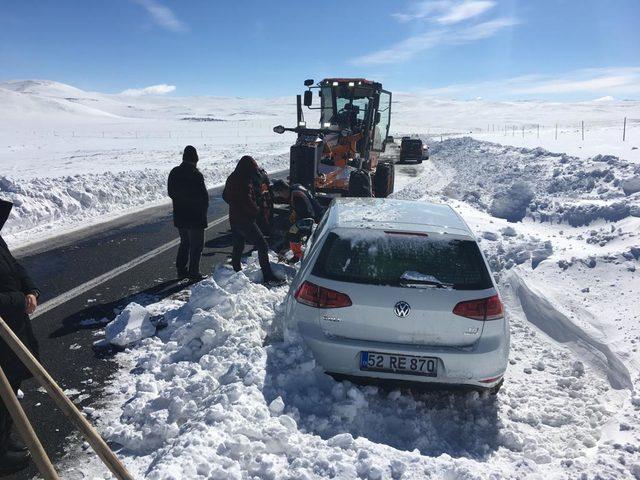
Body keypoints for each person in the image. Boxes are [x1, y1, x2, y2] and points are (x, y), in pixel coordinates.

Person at [0, 200, 39, 474]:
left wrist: (31, 290)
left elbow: (15, 267)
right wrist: (18, 299)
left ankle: (4, 437)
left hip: (12, 329)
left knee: (10, 388)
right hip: (2, 331)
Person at [223, 156, 282, 285]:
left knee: (238, 244)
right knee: (262, 245)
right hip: (245, 220)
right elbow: (247, 201)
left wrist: (234, 205)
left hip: (234, 218)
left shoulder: (232, 177)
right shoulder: (244, 181)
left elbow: (225, 196)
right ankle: (268, 276)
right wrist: (257, 210)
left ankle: (237, 271)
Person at [168, 146, 209, 280]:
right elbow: (203, 197)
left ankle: (181, 270)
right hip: (195, 217)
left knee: (185, 243)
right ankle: (193, 272)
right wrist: (202, 212)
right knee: (197, 246)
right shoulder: (196, 175)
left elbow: (171, 193)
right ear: (195, 159)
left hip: (180, 215)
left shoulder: (174, 172)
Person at [271, 180, 326, 261]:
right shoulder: (295, 187)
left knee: (292, 232)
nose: (280, 196)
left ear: (284, 190)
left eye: (280, 193)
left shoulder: (297, 197)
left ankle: (298, 256)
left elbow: (304, 214)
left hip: (315, 218)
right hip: (319, 212)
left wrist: (295, 224)